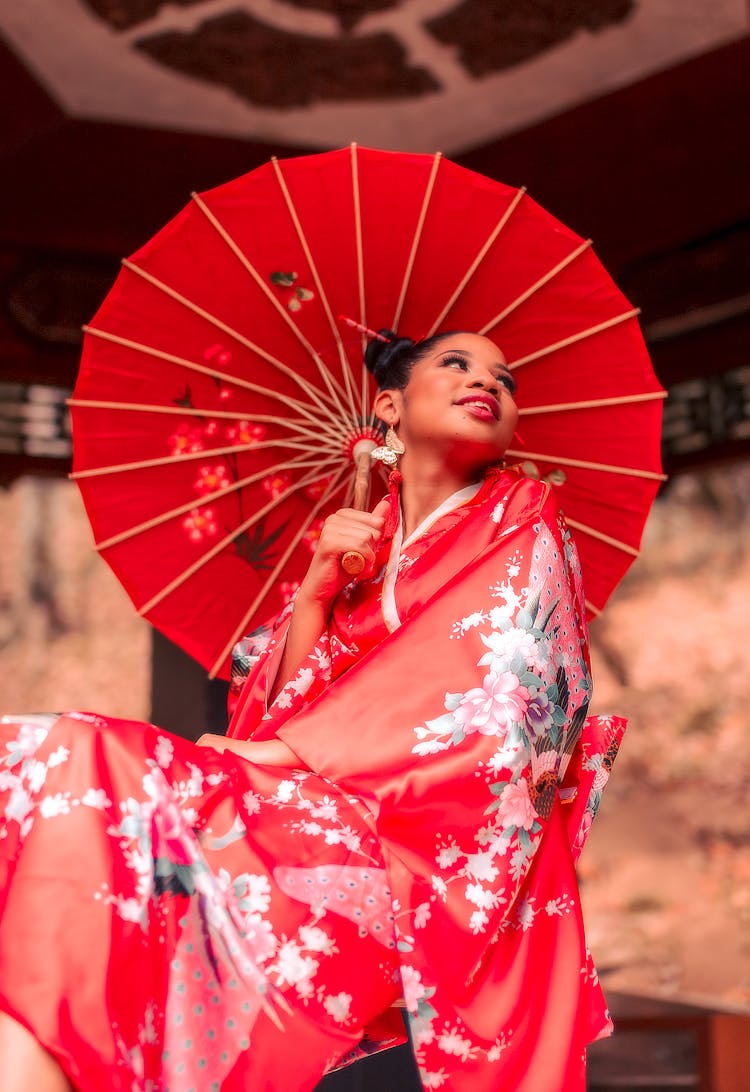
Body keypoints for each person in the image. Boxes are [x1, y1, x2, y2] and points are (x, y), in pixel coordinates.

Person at [0, 330, 624, 1091]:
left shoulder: (524, 512)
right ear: (388, 407)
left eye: (504, 375)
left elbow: (512, 687)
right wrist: (317, 590)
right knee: (57, 755)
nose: (486, 381)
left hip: (423, 843)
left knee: (101, 764)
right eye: (456, 364)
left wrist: (293, 753)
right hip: (313, 798)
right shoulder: (368, 534)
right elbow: (274, 710)